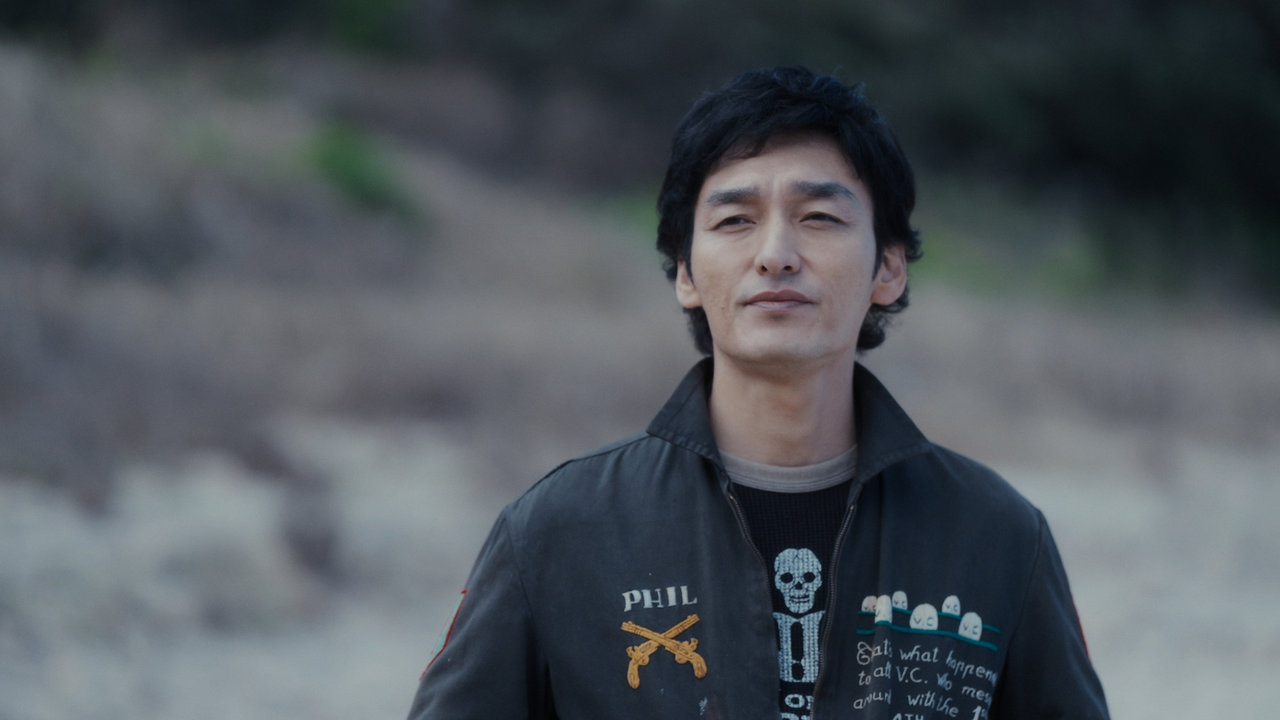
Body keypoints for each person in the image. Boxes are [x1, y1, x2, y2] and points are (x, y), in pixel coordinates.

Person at [406, 66, 1109, 719]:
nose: (776, 254)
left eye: (820, 217)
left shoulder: (995, 537)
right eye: (734, 220)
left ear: (888, 269)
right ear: (686, 272)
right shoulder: (558, 534)